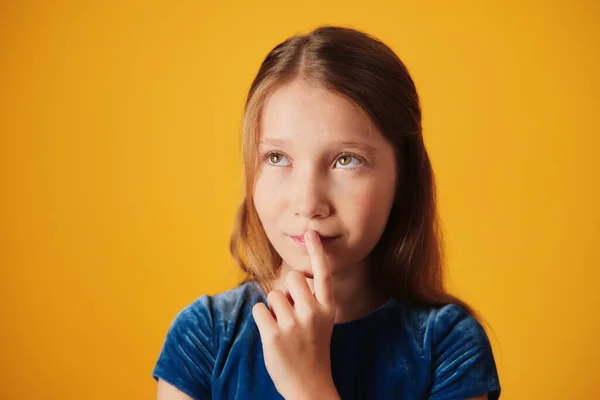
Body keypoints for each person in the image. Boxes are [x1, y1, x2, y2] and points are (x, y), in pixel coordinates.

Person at [152, 25, 501, 400]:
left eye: (346, 160)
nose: (307, 204)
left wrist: (309, 386)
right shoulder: (205, 336)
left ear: (403, 178)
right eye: (277, 157)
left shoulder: (447, 346)